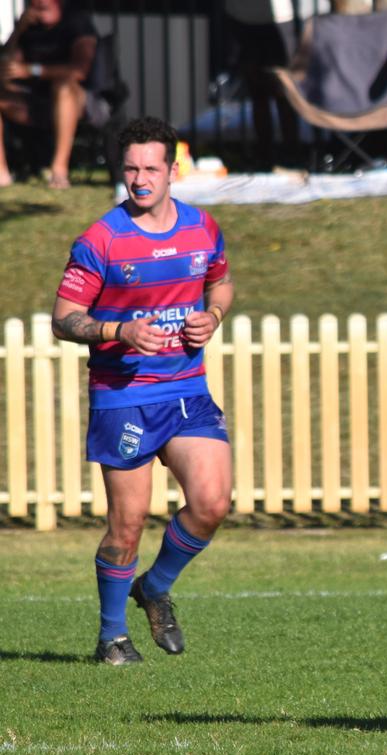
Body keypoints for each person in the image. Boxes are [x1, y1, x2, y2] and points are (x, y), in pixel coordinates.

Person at [51, 116, 234, 666]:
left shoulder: (202, 227)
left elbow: (219, 280)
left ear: (173, 169)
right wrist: (118, 331)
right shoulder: (101, 239)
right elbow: (63, 319)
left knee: (212, 503)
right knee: (126, 525)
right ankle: (112, 637)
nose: (139, 178)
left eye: (150, 167)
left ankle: (155, 587)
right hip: (123, 396)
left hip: (186, 390)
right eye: (130, 168)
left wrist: (214, 315)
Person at [0, 0, 96, 188]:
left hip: (74, 100)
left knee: (63, 88)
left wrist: (33, 70)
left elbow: (80, 71)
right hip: (32, 101)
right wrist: (18, 30)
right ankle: (1, 173)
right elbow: (6, 67)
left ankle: (59, 170)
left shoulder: (77, 23)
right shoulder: (29, 27)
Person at [224, 0, 301, 169]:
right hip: (242, 17)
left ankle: (292, 153)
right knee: (257, 92)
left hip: (279, 17)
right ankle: (264, 154)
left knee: (284, 89)